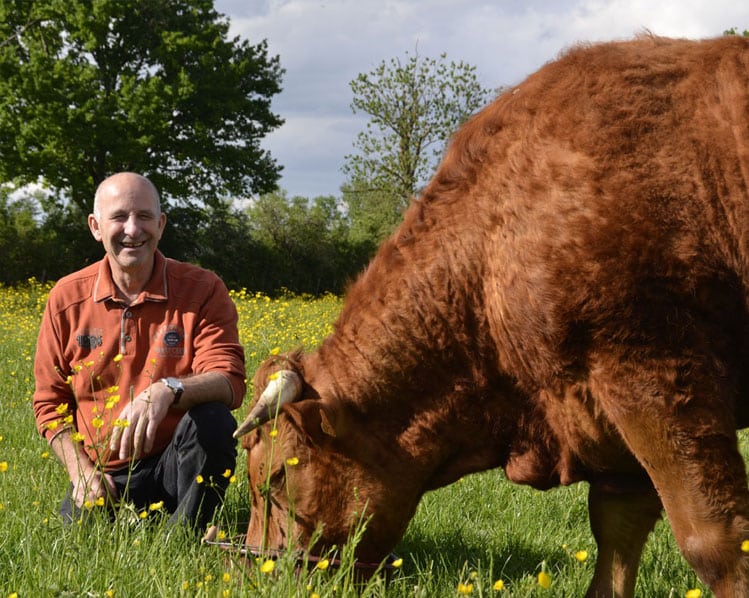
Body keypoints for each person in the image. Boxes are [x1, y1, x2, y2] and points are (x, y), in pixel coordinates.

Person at [33, 172, 246, 532]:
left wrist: (168, 389)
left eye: (145, 217)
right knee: (79, 548)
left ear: (161, 225)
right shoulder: (66, 299)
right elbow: (49, 404)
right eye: (118, 217)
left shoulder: (203, 289)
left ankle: (183, 541)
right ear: (96, 227)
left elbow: (229, 379)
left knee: (214, 419)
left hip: (176, 465)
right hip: (105, 474)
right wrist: (81, 471)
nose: (133, 229)